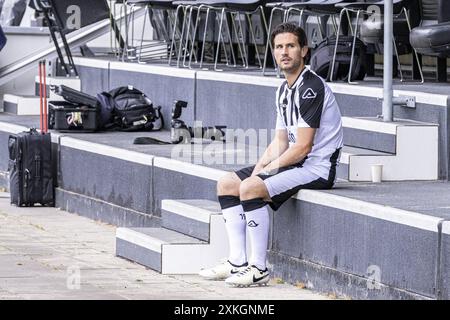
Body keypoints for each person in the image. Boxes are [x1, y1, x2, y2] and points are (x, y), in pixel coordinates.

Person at [199, 22, 344, 287]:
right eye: (279, 47)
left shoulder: (311, 87)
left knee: (252, 187)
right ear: (273, 52)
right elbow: (280, 141)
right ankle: (237, 261)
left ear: (304, 51)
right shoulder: (283, 89)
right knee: (227, 183)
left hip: (316, 168)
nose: (284, 52)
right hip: (295, 163)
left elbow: (302, 147)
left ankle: (259, 267)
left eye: (290, 46)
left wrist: (263, 175)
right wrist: (261, 166)